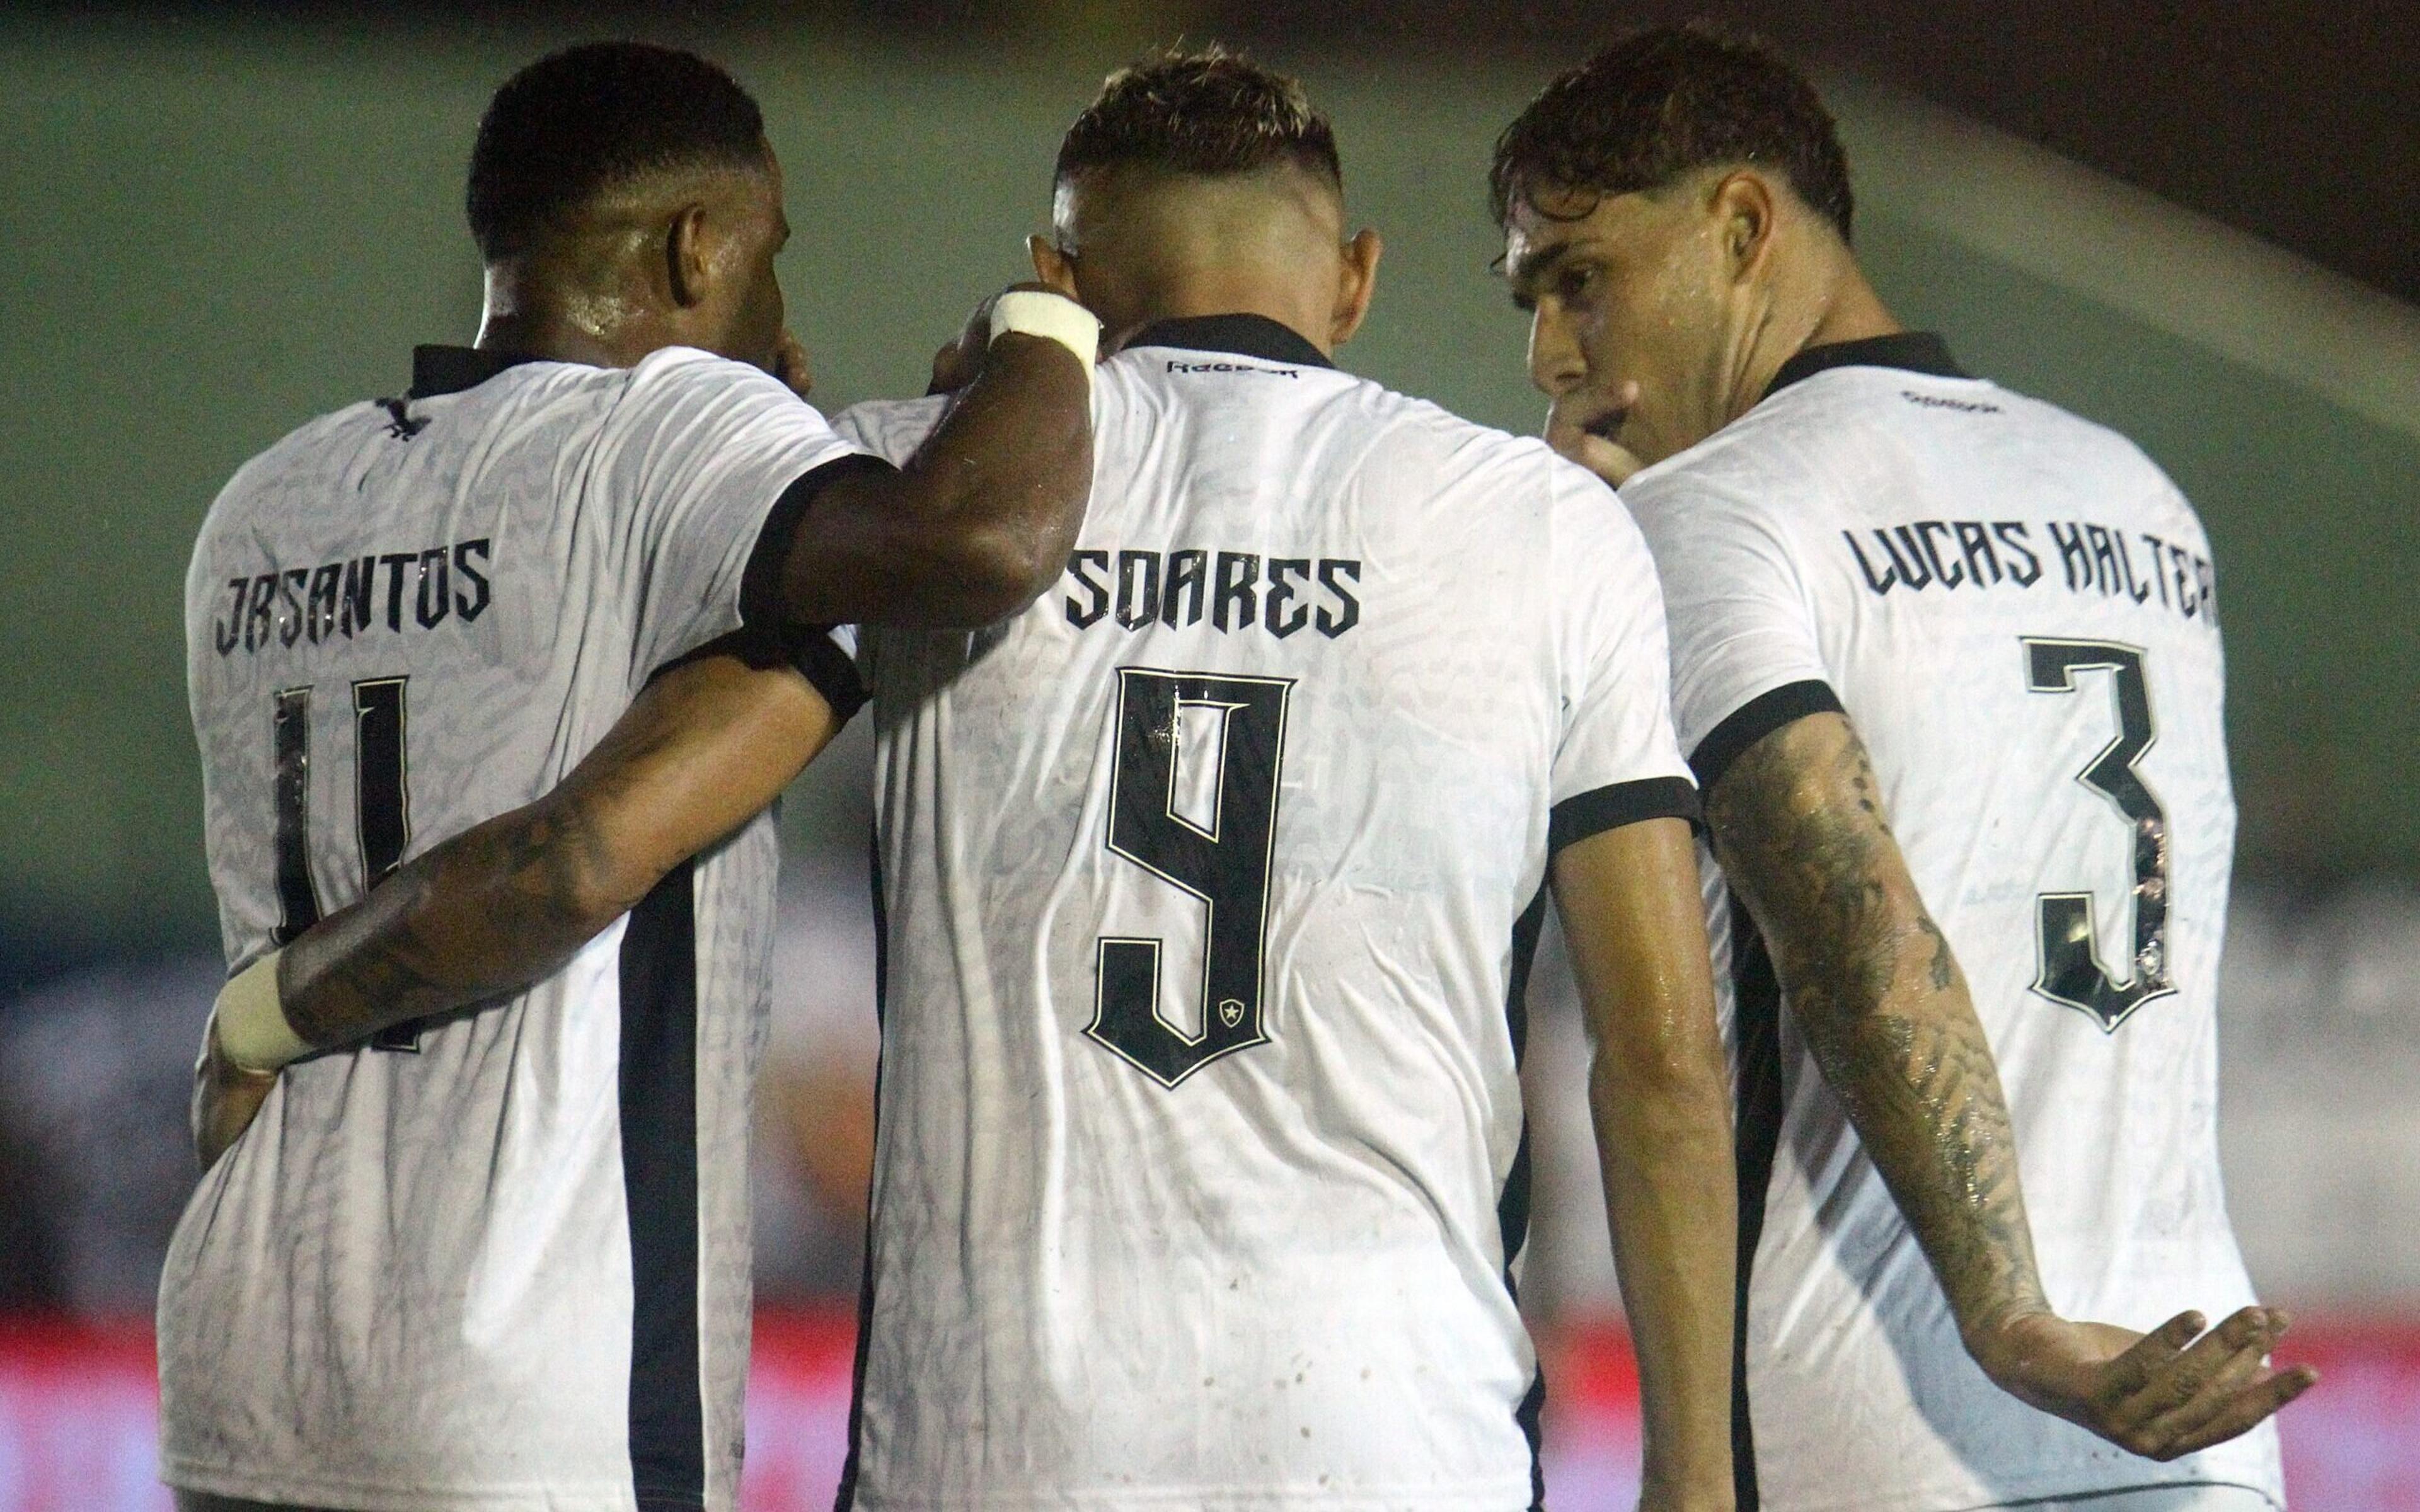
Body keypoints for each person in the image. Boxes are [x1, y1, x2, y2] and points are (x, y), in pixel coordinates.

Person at [163, 41, 1093, 1512]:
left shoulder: (266, 505)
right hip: (526, 1394)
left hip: (241, 1354)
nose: (784, 308)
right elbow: (982, 541)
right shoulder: (664, 428)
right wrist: (1049, 324)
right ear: (694, 245)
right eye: (773, 257)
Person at [829, 49, 1737, 1509]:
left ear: (1055, 273)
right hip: (1401, 1442)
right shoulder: (1545, 529)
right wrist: (1698, 1481)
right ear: (1357, 277)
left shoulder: (907, 490)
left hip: (990, 1451)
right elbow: (1666, 1058)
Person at [1490, 27, 2313, 1512]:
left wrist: (2017, 1327)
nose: (1551, 352)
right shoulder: (2139, 497)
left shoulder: (1712, 517)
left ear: (1742, 229)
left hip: (1883, 1433)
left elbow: (1859, 927)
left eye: (1579, 278)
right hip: (2194, 1414)